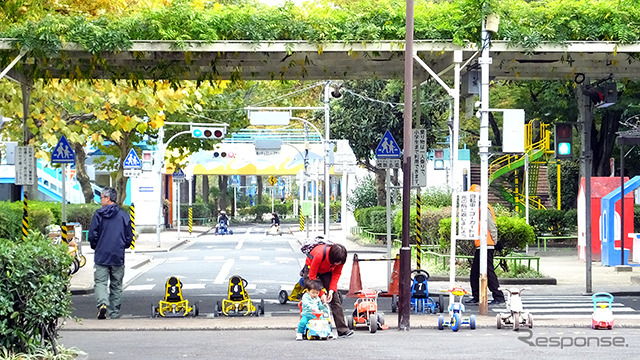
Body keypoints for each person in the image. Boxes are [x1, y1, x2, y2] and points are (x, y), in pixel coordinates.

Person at [88, 187, 133, 319]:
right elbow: (129, 237)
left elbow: (92, 235)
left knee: (100, 282)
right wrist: (122, 246)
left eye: (101, 197)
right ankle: (114, 313)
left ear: (108, 198)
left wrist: (96, 246)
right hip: (117, 256)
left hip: (101, 255)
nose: (100, 199)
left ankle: (102, 303)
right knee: (116, 285)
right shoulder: (124, 215)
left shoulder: (98, 214)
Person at [301, 243, 354, 338]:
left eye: (340, 263)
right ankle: (307, 326)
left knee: (335, 299)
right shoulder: (319, 255)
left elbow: (336, 274)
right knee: (313, 295)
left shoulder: (340, 260)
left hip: (326, 272)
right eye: (336, 262)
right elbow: (312, 276)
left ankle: (343, 330)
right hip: (311, 271)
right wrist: (321, 293)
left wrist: (331, 290)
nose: (337, 264)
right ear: (331, 258)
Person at [466, 184, 505, 305]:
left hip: (486, 244)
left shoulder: (484, 208)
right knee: (476, 272)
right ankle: (478, 296)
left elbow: (491, 226)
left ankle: (499, 297)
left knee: (487, 271)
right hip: (482, 245)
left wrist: (495, 241)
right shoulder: (479, 208)